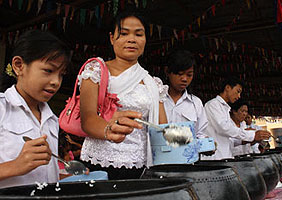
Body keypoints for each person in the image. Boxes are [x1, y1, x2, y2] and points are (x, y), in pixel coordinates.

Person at [79, 10, 168, 180]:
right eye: (124, 33)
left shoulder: (153, 83)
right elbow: (88, 119)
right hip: (100, 163)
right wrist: (108, 129)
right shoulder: (96, 71)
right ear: (112, 38)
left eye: (139, 34)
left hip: (142, 167)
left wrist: (187, 144)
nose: (132, 39)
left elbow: (162, 129)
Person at [0, 30, 71, 188]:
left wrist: (65, 175)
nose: (56, 82)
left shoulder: (52, 119)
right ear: (19, 66)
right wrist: (15, 166)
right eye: (49, 71)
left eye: (61, 75)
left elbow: (43, 174)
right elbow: (20, 167)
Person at [202, 76, 271, 160]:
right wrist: (251, 135)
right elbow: (224, 128)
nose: (239, 96)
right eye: (238, 91)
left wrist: (251, 139)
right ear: (227, 88)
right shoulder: (213, 105)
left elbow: (229, 140)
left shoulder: (225, 108)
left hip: (225, 157)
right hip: (215, 158)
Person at [163, 49, 208, 138]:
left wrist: (207, 145)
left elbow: (201, 133)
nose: (184, 79)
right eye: (180, 74)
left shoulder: (195, 103)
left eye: (189, 75)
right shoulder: (157, 99)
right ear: (167, 71)